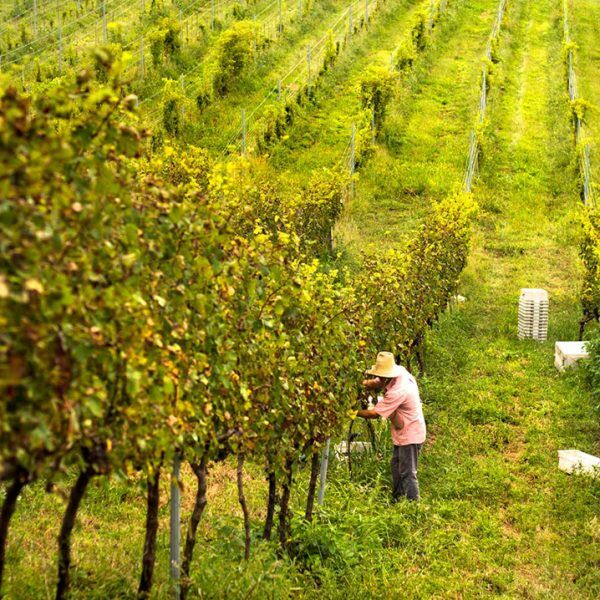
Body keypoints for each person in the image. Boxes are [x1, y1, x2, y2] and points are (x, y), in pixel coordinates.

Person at [356, 351, 426, 501]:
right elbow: (378, 382)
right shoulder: (399, 372)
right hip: (404, 430)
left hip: (410, 434)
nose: (379, 377)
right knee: (396, 466)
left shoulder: (398, 391)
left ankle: (414, 504)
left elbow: (375, 414)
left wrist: (352, 413)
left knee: (407, 471)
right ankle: (397, 498)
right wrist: (361, 384)